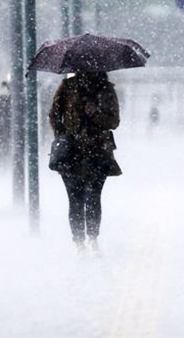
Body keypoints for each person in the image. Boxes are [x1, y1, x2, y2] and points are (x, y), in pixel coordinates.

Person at [48, 72, 121, 254]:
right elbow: (54, 114)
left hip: (98, 151)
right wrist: (63, 134)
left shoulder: (106, 89)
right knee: (75, 198)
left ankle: (92, 238)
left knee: (94, 197)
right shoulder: (67, 87)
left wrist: (95, 113)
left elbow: (114, 121)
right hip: (71, 153)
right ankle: (79, 242)